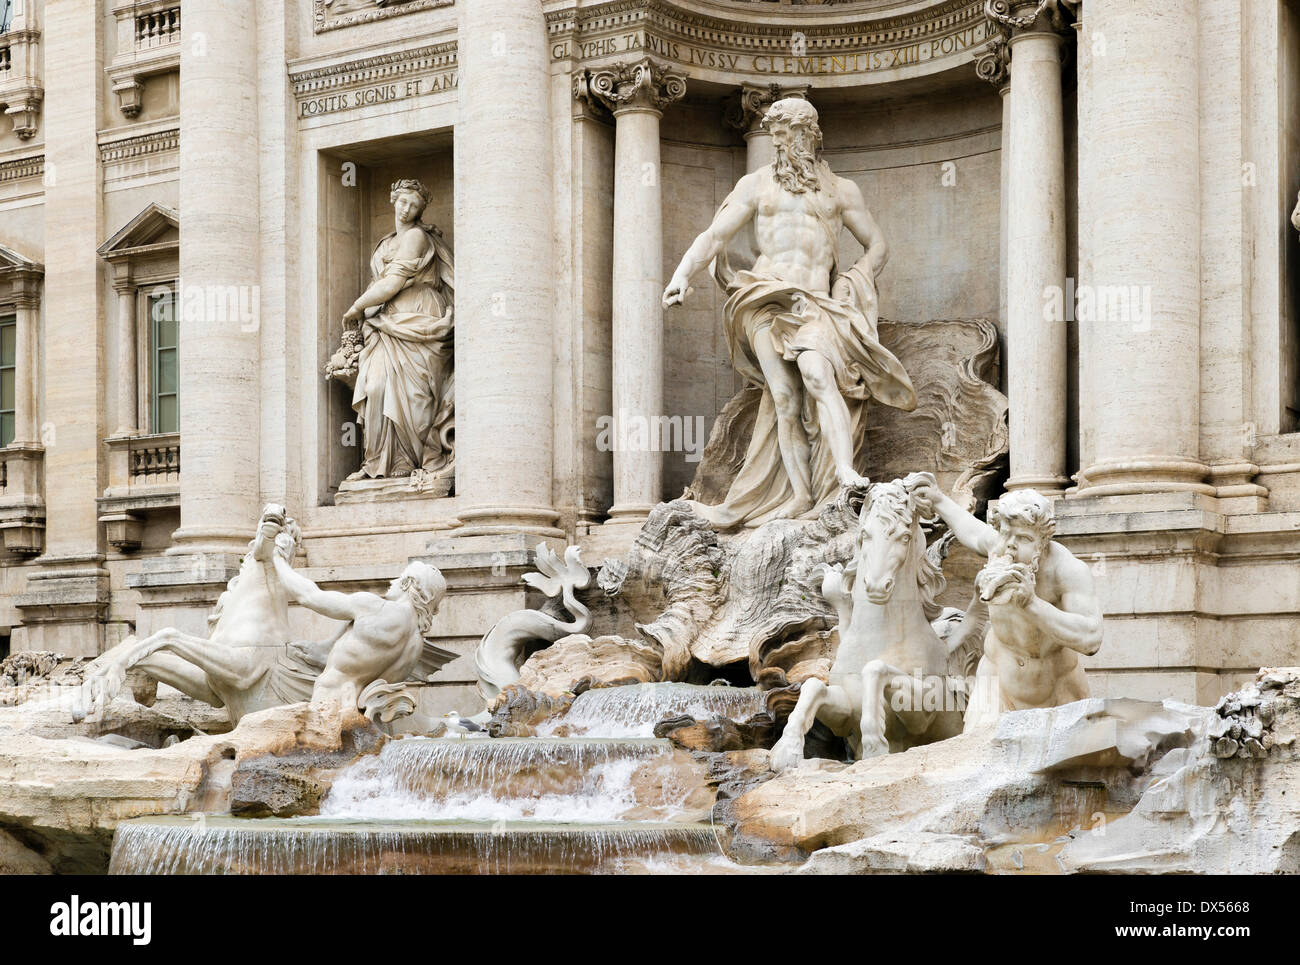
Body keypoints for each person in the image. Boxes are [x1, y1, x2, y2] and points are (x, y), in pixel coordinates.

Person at [663, 98, 915, 528]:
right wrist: (682, 275)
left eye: (787, 134)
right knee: (783, 397)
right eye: (775, 135)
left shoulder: (840, 190)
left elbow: (879, 245)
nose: (779, 143)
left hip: (815, 301)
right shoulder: (755, 185)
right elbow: (714, 235)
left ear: (810, 135)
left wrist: (851, 279)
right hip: (763, 297)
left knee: (818, 376)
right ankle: (799, 495)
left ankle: (844, 475)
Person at [909, 479, 1104, 728]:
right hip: (996, 687)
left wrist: (1031, 603)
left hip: (1058, 692)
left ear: (1042, 542)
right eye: (1004, 533)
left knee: (1068, 764)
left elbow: (1091, 638)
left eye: (1023, 538)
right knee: (977, 757)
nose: (1010, 545)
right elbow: (967, 527)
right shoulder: (998, 547)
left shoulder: (1067, 570)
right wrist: (937, 499)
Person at [261, 517, 447, 712]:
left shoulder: (377, 608)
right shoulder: (415, 646)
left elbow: (309, 596)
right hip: (361, 716)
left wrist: (279, 559)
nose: (391, 583)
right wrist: (323, 652)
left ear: (407, 583)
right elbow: (363, 664)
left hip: (328, 707)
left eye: (397, 579)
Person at [343, 178, 455, 481]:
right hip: (386, 322)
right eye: (403, 201)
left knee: (415, 395)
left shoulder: (417, 237)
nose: (406, 209)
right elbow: (381, 284)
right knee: (376, 385)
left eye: (414, 205)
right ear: (393, 199)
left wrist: (356, 308)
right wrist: (369, 314)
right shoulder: (385, 243)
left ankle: (409, 462)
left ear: (421, 211)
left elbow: (392, 283)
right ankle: (380, 463)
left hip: (417, 316)